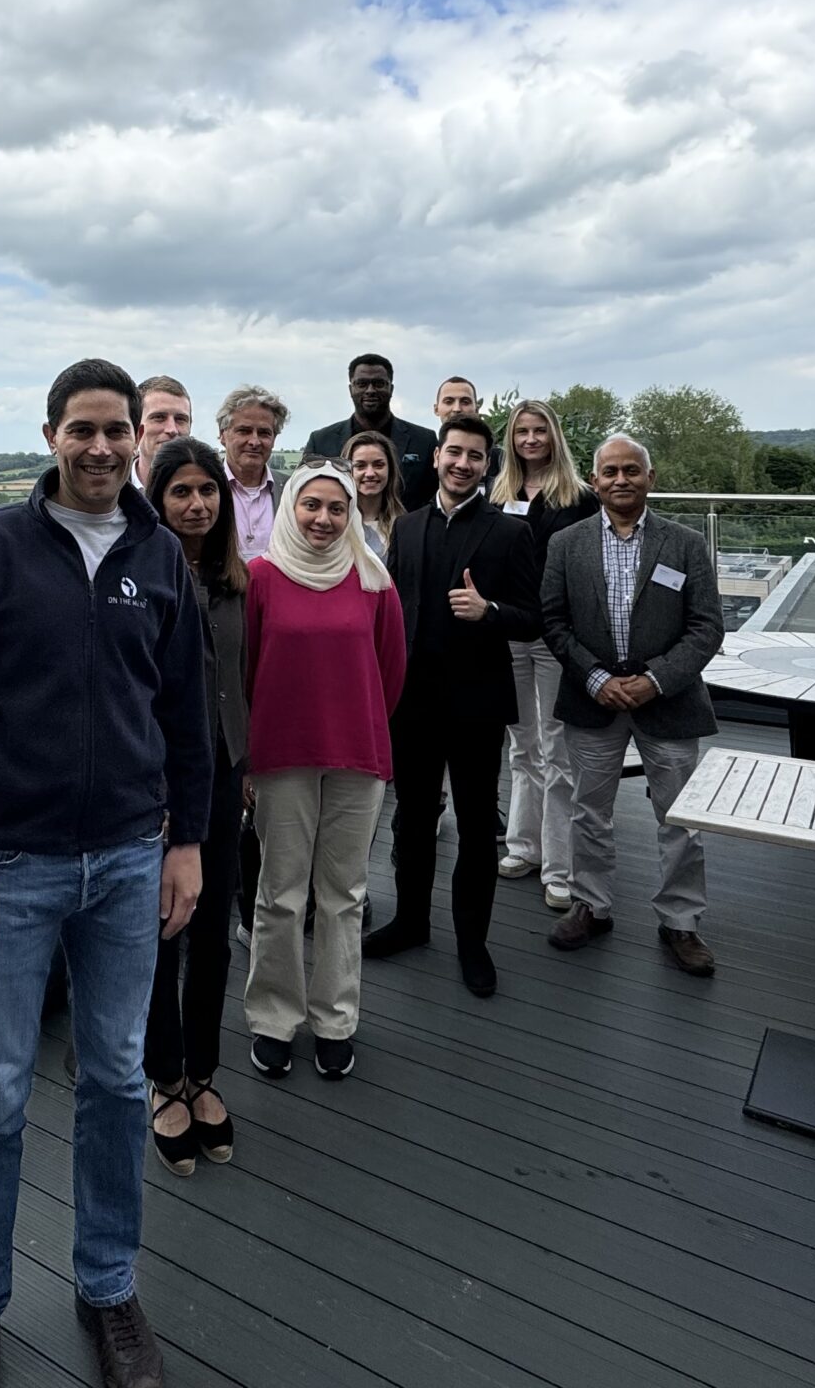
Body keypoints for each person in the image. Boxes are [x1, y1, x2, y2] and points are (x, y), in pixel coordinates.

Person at [0, 359, 210, 1388]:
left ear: (137, 437)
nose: (97, 447)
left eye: (114, 430)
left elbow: (186, 714)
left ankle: (106, 1286)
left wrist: (187, 841)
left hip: (131, 860)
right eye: (79, 429)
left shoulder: (158, 554)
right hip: (11, 862)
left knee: (117, 1085)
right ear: (49, 435)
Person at [363, 413, 540, 997]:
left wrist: (489, 612)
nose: (463, 463)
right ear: (436, 456)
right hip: (411, 702)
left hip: (475, 704)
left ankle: (472, 942)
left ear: (488, 465)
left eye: (475, 456)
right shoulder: (407, 528)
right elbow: (388, 610)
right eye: (454, 452)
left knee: (471, 827)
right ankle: (411, 922)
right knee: (411, 821)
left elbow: (535, 616)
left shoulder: (510, 533)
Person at [540, 434, 726, 976]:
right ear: (593, 481)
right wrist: (595, 677)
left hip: (666, 701)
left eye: (631, 471)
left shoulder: (686, 543)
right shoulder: (567, 544)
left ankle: (681, 921)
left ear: (650, 478)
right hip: (592, 696)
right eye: (610, 472)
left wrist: (655, 680)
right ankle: (591, 904)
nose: (620, 480)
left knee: (680, 818)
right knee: (589, 810)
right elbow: (554, 622)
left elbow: (706, 626)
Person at [243, 463, 405, 1080]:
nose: (323, 519)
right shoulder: (260, 578)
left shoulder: (373, 580)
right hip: (281, 756)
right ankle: (274, 1017)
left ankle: (336, 1017)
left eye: (336, 509)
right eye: (311, 505)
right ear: (291, 509)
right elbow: (247, 667)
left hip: (356, 756)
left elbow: (390, 670)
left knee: (344, 894)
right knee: (280, 894)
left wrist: (354, 723)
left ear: (351, 516)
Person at [141, 437, 248, 1176]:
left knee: (212, 932)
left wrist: (243, 768)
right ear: (158, 500)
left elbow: (249, 680)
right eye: (180, 491)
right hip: (154, 781)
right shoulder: (140, 576)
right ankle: (163, 1077)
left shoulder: (240, 582)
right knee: (158, 934)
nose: (196, 504)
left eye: (207, 490)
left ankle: (204, 1071)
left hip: (222, 776)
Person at [490, 401, 598, 912]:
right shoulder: (499, 492)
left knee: (557, 750)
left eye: (539, 431)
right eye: (521, 432)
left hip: (556, 634)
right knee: (520, 743)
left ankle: (560, 866)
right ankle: (522, 846)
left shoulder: (578, 498)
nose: (530, 440)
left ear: (554, 436)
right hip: (508, 630)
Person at [304, 353, 439, 508]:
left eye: (379, 383)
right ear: (350, 389)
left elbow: (436, 498)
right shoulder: (321, 442)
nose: (370, 390)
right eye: (362, 384)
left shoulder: (424, 441)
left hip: (410, 529)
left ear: (391, 388)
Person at [215, 384, 287, 562]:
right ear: (223, 435)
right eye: (244, 431)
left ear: (274, 439)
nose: (254, 441)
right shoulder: (206, 487)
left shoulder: (290, 490)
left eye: (264, 433)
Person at [340, 429, 403, 560]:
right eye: (360, 466)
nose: (370, 473)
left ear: (390, 470)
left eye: (378, 465)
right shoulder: (337, 524)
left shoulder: (405, 526)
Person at [131, 376, 194, 491]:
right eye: (159, 417)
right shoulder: (111, 492)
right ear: (136, 426)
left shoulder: (210, 495)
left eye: (180, 419)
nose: (172, 430)